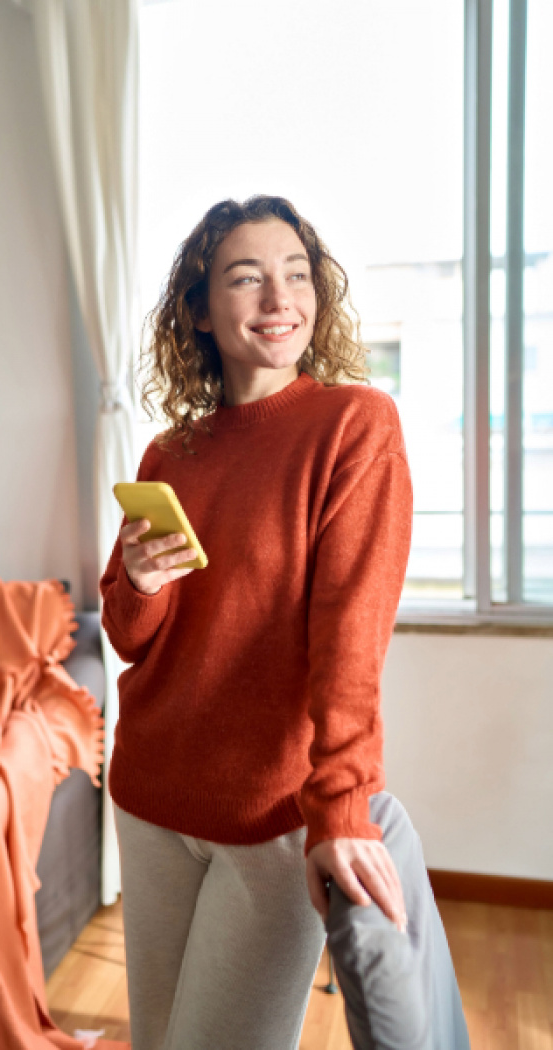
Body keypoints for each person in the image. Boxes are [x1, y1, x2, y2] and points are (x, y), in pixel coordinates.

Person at [99, 196, 471, 1050]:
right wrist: (143, 584)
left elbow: (351, 638)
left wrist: (341, 806)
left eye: (297, 275)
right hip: (151, 799)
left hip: (270, 813)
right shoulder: (171, 453)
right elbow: (128, 636)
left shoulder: (355, 428)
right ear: (197, 308)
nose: (280, 298)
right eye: (246, 277)